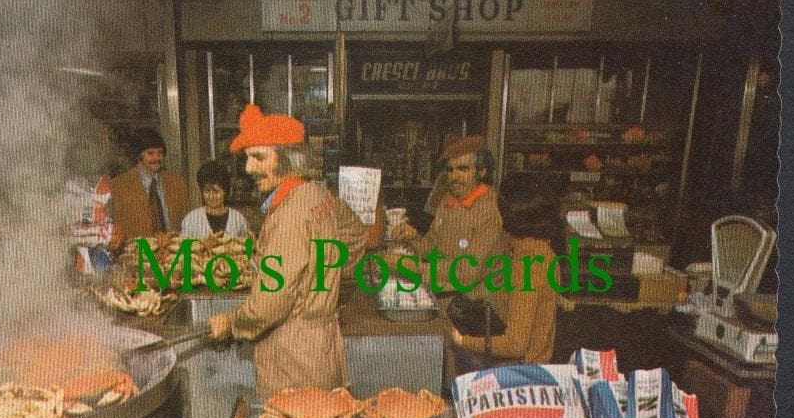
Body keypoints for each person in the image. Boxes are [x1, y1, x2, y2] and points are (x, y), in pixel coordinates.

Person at [208, 104, 367, 397]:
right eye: (247, 158)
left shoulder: (289, 215)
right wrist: (326, 285)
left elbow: (270, 304)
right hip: (321, 349)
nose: (248, 168)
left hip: (291, 360)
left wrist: (232, 322)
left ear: (289, 158)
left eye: (259, 157)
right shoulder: (318, 194)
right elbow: (357, 236)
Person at [450, 173, 560, 367]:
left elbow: (515, 344)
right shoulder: (540, 249)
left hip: (521, 374)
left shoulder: (529, 263)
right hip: (534, 366)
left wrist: (462, 340)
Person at [392, 135, 503, 295]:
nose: (454, 176)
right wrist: (413, 238)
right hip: (446, 294)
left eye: (463, 169)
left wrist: (408, 265)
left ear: (482, 171)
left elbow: (466, 274)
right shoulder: (448, 200)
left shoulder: (491, 210)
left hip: (475, 304)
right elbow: (431, 249)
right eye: (450, 170)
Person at [110, 129, 191, 242]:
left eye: (160, 153)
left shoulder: (177, 183)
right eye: (150, 153)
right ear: (139, 156)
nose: (157, 158)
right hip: (137, 253)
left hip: (174, 253)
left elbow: (188, 223)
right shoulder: (119, 186)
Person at [180, 161, 249, 238]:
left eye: (216, 192)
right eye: (207, 191)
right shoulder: (191, 219)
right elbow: (184, 249)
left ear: (225, 191)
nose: (211, 196)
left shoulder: (238, 219)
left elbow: (248, 248)